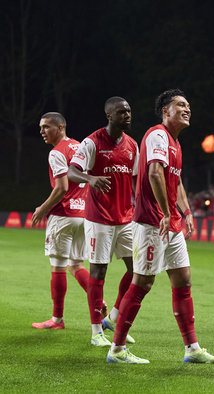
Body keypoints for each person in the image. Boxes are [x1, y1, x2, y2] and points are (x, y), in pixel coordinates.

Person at [106, 89, 214, 365]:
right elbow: (155, 172)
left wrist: (186, 211)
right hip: (151, 223)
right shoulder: (157, 134)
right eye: (180, 105)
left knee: (183, 280)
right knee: (143, 282)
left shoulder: (175, 143)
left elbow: (176, 180)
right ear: (165, 111)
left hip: (170, 223)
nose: (187, 109)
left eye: (188, 106)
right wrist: (165, 211)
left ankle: (192, 349)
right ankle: (117, 349)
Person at [68, 97, 138, 347]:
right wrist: (91, 179)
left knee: (137, 271)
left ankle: (114, 317)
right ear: (109, 115)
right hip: (99, 218)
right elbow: (71, 171)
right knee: (99, 271)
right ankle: (96, 331)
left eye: (128, 111)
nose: (127, 115)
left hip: (126, 218)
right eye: (121, 112)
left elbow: (136, 180)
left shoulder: (132, 145)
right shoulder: (92, 141)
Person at [31, 112, 95, 329]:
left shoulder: (57, 152)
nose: (42, 131)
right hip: (83, 216)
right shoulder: (81, 147)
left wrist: (43, 208)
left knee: (58, 266)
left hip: (63, 216)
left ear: (60, 127)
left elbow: (62, 187)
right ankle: (100, 303)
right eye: (40, 127)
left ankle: (57, 320)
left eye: (46, 127)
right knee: (76, 264)